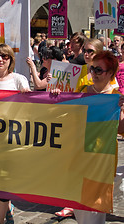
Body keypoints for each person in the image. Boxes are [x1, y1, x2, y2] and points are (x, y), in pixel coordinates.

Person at [52, 50, 124, 224]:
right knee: (82, 208)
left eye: (99, 70)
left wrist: (121, 110)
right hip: (79, 156)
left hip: (101, 159)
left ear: (110, 73)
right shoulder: (83, 91)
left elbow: (121, 130)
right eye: (92, 69)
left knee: (94, 212)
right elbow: (68, 116)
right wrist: (55, 96)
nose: (94, 73)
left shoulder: (116, 96)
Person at [0, 43, 30, 224]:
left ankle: (0, 218)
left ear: (11, 59)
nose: (0, 60)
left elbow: (30, 107)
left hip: (12, 136)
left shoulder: (19, 79)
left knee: (4, 177)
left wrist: (26, 96)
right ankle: (7, 207)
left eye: (5, 56)